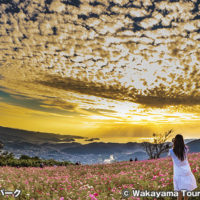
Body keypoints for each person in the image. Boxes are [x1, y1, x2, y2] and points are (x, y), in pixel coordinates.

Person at [168, 134, 197, 200]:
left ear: (175, 141)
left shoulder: (171, 151)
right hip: (187, 172)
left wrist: (174, 142)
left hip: (178, 173)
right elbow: (183, 147)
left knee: (179, 193)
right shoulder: (186, 149)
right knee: (187, 190)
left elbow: (173, 151)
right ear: (182, 141)